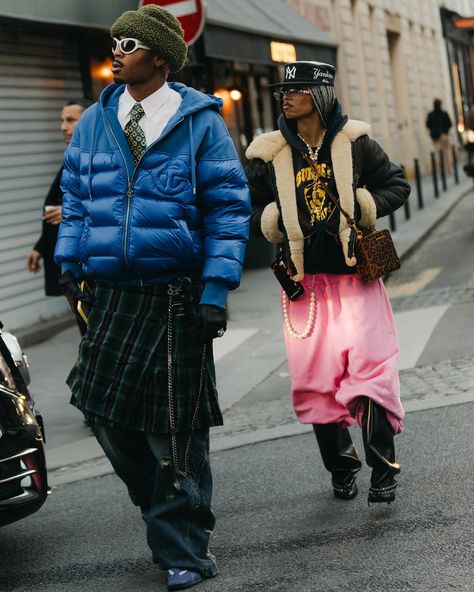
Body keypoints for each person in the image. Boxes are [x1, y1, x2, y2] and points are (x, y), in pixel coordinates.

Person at [54, 5, 250, 591]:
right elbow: (77, 193)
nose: (117, 50)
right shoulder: (95, 119)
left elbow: (229, 209)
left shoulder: (201, 122)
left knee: (176, 431)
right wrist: (70, 260)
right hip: (110, 290)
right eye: (115, 41)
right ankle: (158, 503)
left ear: (160, 57)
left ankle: (184, 545)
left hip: (174, 295)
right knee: (102, 414)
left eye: (130, 43)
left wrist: (216, 288)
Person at [246, 61, 410, 506]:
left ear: (319, 94)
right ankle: (341, 469)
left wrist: (366, 204)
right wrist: (271, 219)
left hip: (356, 278)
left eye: (296, 88)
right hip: (305, 287)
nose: (286, 95)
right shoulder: (271, 153)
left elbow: (398, 184)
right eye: (283, 89)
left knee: (371, 373)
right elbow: (247, 205)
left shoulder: (354, 143)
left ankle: (383, 470)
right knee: (317, 379)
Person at [26, 99, 92, 301]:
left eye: (71, 120)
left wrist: (70, 212)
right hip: (72, 260)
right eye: (62, 120)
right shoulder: (74, 157)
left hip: (90, 262)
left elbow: (116, 204)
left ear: (90, 121)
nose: (63, 127)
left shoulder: (98, 158)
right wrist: (41, 246)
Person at [426, 98, 453, 173]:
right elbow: (450, 124)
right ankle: (449, 169)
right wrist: (445, 130)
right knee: (447, 152)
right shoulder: (444, 113)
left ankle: (440, 170)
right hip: (444, 135)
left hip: (435, 137)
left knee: (438, 154)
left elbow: (428, 125)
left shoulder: (431, 115)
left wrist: (433, 130)